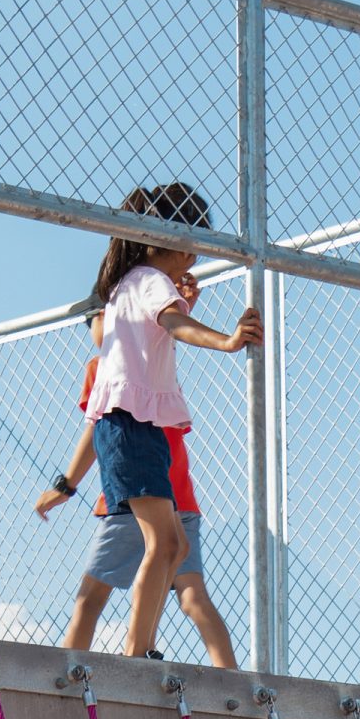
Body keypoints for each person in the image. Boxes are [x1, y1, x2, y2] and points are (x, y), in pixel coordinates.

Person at [80, 183, 261, 660]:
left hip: (134, 427)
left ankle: (142, 644)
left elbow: (153, 337)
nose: (195, 254)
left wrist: (184, 308)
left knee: (175, 544)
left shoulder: (131, 283)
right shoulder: (149, 280)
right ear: (159, 238)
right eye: (190, 240)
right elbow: (172, 326)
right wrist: (226, 340)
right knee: (163, 542)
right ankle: (136, 650)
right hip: (129, 426)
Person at [34, 269, 237, 667]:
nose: (93, 327)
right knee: (188, 591)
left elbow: (97, 430)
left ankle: (77, 668)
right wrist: (179, 308)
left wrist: (67, 484)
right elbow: (165, 335)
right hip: (178, 496)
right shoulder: (153, 358)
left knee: (93, 596)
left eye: (94, 318)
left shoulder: (106, 365)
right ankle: (225, 675)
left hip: (134, 495)